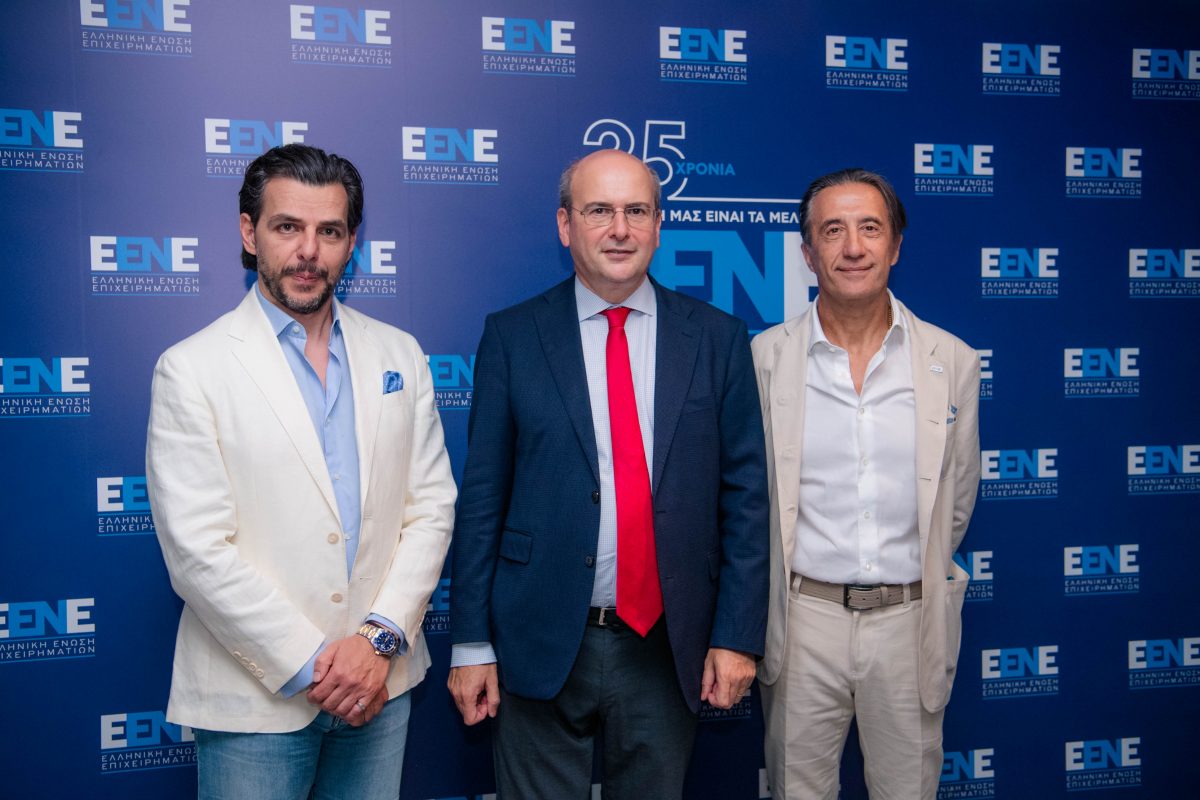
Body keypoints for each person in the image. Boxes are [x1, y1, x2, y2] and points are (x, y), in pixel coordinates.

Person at [447, 148, 769, 798]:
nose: (620, 229)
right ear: (565, 225)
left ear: (658, 226)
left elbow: (746, 501)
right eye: (599, 211)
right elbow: (482, 499)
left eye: (636, 211)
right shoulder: (513, 336)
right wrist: (471, 643)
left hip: (667, 644)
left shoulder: (717, 339)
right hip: (538, 637)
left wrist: (737, 637)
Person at [145, 143, 456, 799]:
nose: (309, 251)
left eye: (330, 232)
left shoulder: (399, 354)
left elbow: (431, 509)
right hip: (256, 697)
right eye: (288, 227)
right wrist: (320, 667)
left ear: (351, 243)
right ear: (249, 231)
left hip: (381, 684)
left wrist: (376, 643)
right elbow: (197, 550)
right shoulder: (192, 369)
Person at [753, 168, 981, 799]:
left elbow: (955, 501)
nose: (853, 247)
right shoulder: (764, 359)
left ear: (896, 246)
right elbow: (750, 500)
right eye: (833, 230)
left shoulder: (951, 361)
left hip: (911, 623)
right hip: (802, 622)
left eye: (870, 228)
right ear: (807, 254)